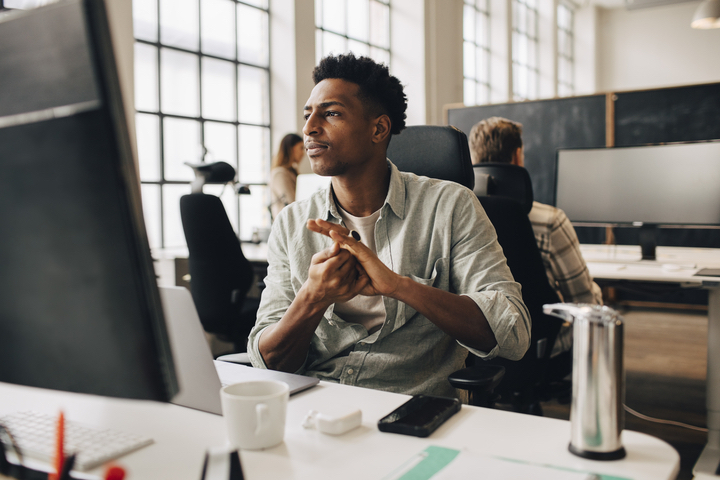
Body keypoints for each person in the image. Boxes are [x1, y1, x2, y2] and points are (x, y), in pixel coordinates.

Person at [247, 54, 530, 398]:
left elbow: (514, 333)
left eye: (331, 113)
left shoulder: (451, 206)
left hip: (411, 409)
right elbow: (269, 361)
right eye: (308, 115)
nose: (309, 128)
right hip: (317, 406)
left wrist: (398, 286)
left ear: (378, 129)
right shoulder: (292, 223)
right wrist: (313, 296)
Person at [468, 116, 602, 356]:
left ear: (474, 159)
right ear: (518, 155)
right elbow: (584, 301)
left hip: (476, 348)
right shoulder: (550, 220)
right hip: (539, 348)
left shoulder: (460, 217)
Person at [269, 133, 304, 219]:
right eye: (301, 148)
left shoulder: (291, 171)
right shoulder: (280, 173)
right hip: (286, 224)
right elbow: (292, 202)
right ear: (292, 149)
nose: (303, 153)